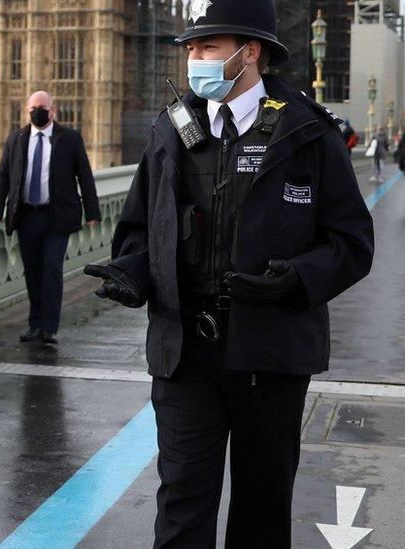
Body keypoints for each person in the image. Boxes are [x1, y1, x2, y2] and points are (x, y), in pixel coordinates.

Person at [85, 1, 375, 547]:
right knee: (181, 504)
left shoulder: (308, 133)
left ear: (251, 52)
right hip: (185, 352)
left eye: (208, 47)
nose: (195, 58)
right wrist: (131, 271)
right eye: (192, 48)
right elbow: (141, 226)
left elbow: (352, 244)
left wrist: (296, 278)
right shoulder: (172, 130)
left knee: (263, 508)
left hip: (271, 353)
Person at [0, 91, 101, 345]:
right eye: (32, 108)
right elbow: (3, 176)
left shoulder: (69, 138)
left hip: (57, 216)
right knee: (32, 272)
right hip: (27, 215)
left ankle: (49, 327)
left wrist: (93, 212)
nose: (37, 111)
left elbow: (85, 176)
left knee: (51, 268)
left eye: (41, 107)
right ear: (27, 111)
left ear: (53, 110)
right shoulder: (16, 138)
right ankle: (34, 325)